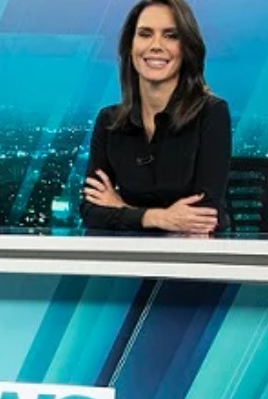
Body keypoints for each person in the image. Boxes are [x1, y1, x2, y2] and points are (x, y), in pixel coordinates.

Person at [81, 0, 231, 234]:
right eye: (145, 34)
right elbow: (91, 211)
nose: (156, 45)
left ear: (186, 48)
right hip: (135, 261)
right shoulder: (110, 121)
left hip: (198, 260)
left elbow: (204, 218)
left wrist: (120, 207)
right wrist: (158, 217)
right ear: (130, 47)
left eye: (171, 36)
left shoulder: (211, 113)